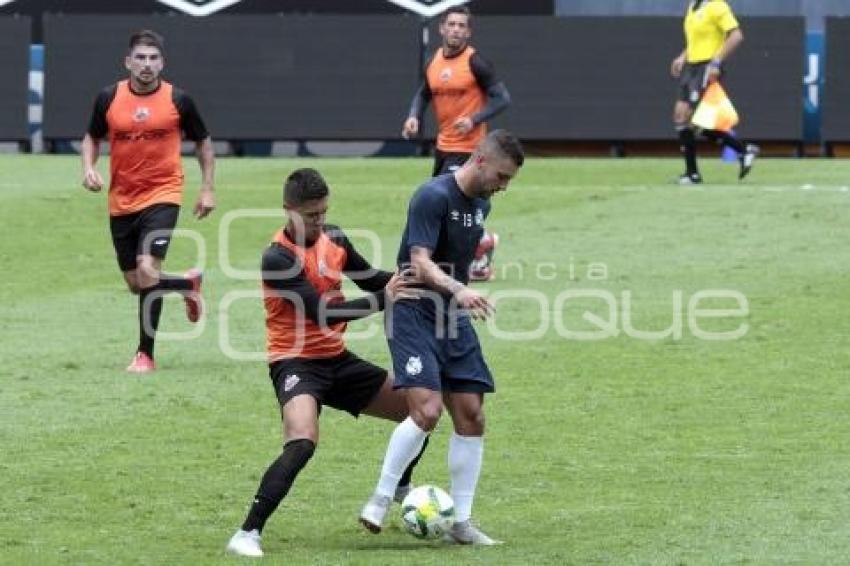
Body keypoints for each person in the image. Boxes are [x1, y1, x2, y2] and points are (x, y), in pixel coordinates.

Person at [226, 168, 427, 558]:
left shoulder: (334, 237)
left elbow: (371, 279)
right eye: (310, 215)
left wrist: (424, 278)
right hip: (296, 363)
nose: (319, 221)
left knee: (420, 408)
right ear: (288, 210)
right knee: (302, 443)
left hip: (337, 360)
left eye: (323, 212)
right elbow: (324, 313)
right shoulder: (277, 257)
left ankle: (401, 487)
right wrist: (385, 298)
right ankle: (247, 533)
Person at [359, 130, 524, 545]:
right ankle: (380, 499)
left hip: (452, 317)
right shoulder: (432, 196)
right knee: (427, 411)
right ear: (481, 160)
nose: (503, 187)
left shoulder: (481, 203)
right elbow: (420, 261)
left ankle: (461, 524)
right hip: (413, 309)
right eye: (502, 177)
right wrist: (461, 288)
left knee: (472, 414)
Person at [80, 29, 216, 373]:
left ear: (162, 64)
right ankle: (186, 284)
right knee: (135, 283)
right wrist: (88, 167)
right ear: (128, 61)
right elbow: (91, 137)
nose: (146, 64)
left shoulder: (179, 100)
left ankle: (145, 354)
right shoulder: (108, 97)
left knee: (147, 269)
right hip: (122, 199)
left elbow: (203, 143)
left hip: (163, 194)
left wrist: (207, 188)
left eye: (153, 58)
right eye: (140, 58)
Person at [402, 5, 510, 281]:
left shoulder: (476, 63)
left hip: (470, 149)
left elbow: (502, 98)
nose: (456, 30)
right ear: (442, 28)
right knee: (445, 205)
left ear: (469, 32)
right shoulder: (435, 60)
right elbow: (424, 93)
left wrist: (474, 119)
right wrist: (414, 116)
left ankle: (472, 254)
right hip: (444, 146)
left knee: (455, 205)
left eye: (462, 26)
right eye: (451, 24)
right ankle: (481, 246)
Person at [670, 0, 759, 185]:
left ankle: (693, 174)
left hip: (706, 67)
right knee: (681, 117)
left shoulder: (718, 5)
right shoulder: (693, 5)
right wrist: (682, 56)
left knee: (691, 119)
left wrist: (716, 62)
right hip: (691, 68)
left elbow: (736, 35)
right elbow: (697, 39)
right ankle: (742, 150)